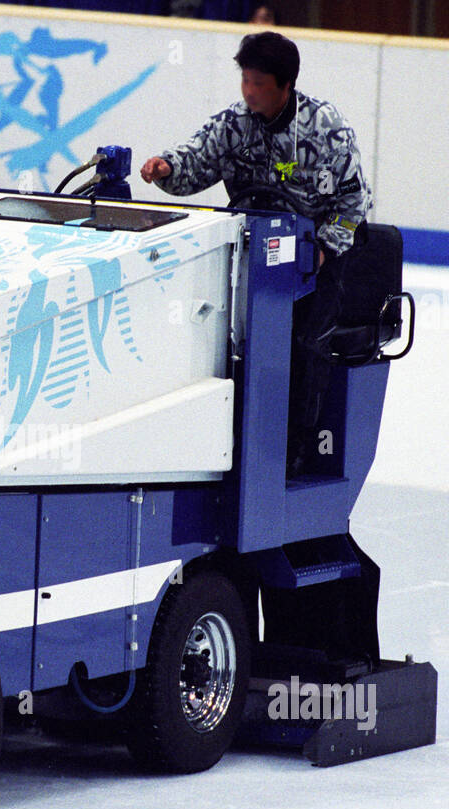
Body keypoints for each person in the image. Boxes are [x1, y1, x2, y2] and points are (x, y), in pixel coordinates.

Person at [140, 31, 371, 479]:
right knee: (220, 340)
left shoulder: (328, 130)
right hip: (253, 257)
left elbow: (353, 204)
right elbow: (196, 159)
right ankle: (224, 439)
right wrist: (166, 166)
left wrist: (322, 250)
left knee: (303, 344)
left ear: (286, 85)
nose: (248, 91)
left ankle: (296, 444)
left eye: (258, 83)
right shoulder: (235, 124)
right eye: (245, 80)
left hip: (315, 256)